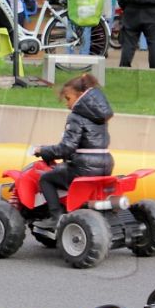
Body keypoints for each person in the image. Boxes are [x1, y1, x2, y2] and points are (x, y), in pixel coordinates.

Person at [32, 74, 113, 231]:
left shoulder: (76, 116)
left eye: (68, 99)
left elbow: (66, 148)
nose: (67, 105)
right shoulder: (99, 115)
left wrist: (43, 150)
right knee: (62, 172)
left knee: (46, 179)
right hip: (105, 162)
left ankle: (56, 217)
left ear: (80, 96)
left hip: (84, 167)